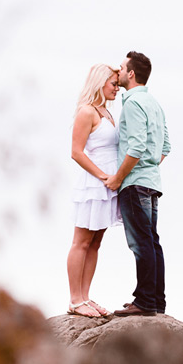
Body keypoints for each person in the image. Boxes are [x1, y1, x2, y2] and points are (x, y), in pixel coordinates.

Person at [103, 51, 171, 317]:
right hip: (151, 182)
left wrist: (120, 177)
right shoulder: (154, 103)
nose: (117, 72)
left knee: (141, 243)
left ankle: (144, 301)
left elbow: (137, 146)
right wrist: (149, 166)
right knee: (152, 242)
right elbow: (164, 146)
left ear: (131, 74)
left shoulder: (131, 104)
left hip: (134, 183)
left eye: (121, 68)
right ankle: (156, 301)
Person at [66, 63, 122, 318]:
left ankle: (86, 296)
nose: (117, 89)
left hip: (109, 185)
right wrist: (102, 176)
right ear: (101, 83)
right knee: (82, 241)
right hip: (93, 184)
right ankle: (75, 300)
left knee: (96, 242)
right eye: (114, 84)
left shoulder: (107, 113)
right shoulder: (86, 112)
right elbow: (76, 152)